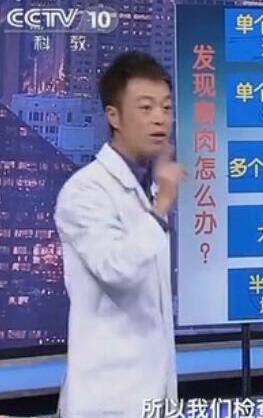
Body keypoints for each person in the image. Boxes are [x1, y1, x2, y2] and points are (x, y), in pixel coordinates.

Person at [54, 51, 185, 417]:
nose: (160, 118)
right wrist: (161, 208)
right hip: (107, 401)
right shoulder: (85, 192)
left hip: (152, 397)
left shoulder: (147, 188)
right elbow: (116, 269)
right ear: (113, 116)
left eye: (166, 107)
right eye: (146, 107)